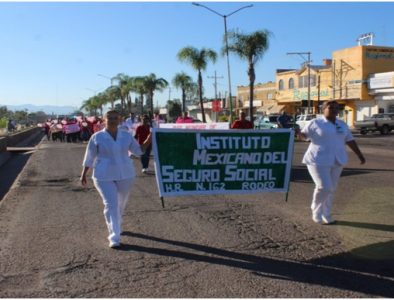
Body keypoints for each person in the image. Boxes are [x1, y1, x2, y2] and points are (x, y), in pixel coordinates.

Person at [80, 110, 151, 248]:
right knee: (110, 204)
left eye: (115, 118)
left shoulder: (126, 136)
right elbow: (89, 156)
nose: (112, 120)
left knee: (120, 204)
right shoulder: (97, 137)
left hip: (125, 174)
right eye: (109, 118)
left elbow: (138, 151)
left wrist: (150, 138)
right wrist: (83, 174)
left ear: (119, 120)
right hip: (103, 175)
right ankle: (114, 237)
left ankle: (116, 224)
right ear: (104, 120)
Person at [296, 101, 366, 225]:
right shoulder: (315, 123)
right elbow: (304, 137)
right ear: (323, 109)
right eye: (330, 107)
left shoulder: (342, 124)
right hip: (317, 160)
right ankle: (316, 210)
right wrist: (298, 133)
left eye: (336, 107)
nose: (334, 109)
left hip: (337, 159)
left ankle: (326, 213)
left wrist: (359, 154)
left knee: (332, 189)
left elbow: (350, 140)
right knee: (324, 187)